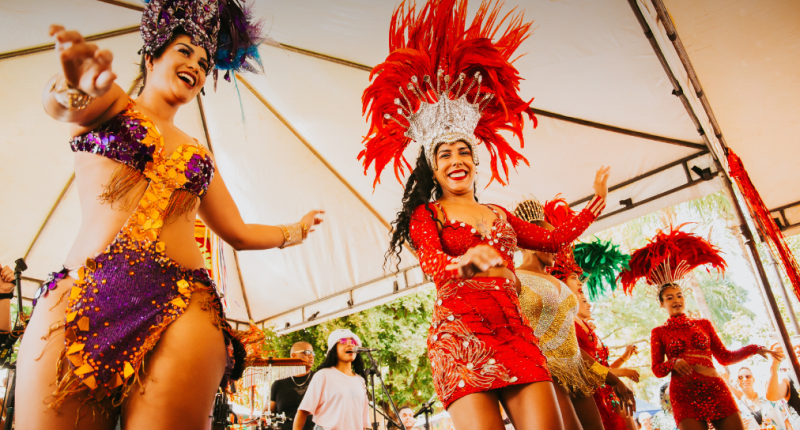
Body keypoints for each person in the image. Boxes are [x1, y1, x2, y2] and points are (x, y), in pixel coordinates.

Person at [17, 1, 324, 428]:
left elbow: (236, 232)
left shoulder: (199, 152)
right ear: (151, 55)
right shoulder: (110, 104)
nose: (196, 66)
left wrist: (294, 230)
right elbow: (66, 103)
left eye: (204, 61)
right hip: (81, 299)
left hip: (182, 304)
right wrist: (70, 80)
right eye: (184, 52)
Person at [360, 1, 611, 428]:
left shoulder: (499, 213)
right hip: (460, 337)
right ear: (433, 167)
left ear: (476, 163)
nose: (456, 159)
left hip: (515, 333)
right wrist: (466, 262)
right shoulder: (428, 215)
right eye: (445, 154)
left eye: (464, 152)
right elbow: (435, 267)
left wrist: (594, 205)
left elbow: (551, 241)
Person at [619, 226, 781, 430]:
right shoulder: (658, 332)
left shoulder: (703, 324)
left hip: (716, 389)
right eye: (669, 298)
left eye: (679, 296)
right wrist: (673, 363)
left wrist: (755, 348)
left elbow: (725, 357)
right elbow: (657, 369)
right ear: (662, 304)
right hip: (684, 394)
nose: (676, 300)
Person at [513, 196, 634, 430]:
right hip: (544, 375)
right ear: (532, 239)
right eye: (551, 239)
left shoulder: (556, 281)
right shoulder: (514, 279)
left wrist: (613, 379)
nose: (557, 247)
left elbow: (575, 349)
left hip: (578, 376)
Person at [575, 292, 633, 430]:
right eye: (584, 301)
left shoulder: (589, 329)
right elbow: (587, 366)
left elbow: (601, 367)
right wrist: (621, 373)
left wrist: (624, 358)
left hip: (610, 392)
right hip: (597, 395)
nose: (589, 305)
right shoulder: (572, 328)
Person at [295, 329, 370, 430]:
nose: (350, 345)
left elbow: (362, 423)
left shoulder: (360, 381)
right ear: (334, 350)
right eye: (343, 341)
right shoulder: (323, 375)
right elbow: (303, 411)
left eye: (353, 342)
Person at [267, 342, 317, 430]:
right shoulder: (278, 385)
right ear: (293, 355)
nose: (311, 356)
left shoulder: (319, 379)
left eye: (312, 353)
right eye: (307, 353)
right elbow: (268, 414)